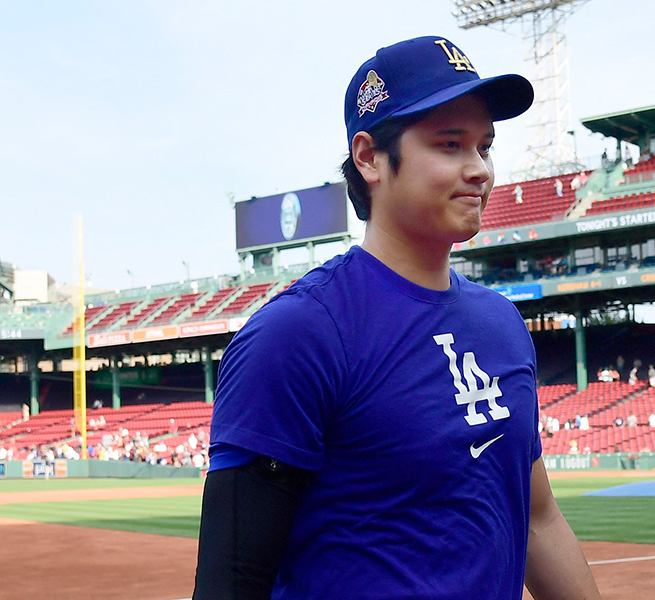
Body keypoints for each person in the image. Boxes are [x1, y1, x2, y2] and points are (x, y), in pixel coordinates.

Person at [192, 35, 600, 600]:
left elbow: (538, 519)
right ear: (369, 158)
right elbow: (232, 583)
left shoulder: (502, 324)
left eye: (485, 146)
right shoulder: (297, 333)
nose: (479, 168)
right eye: (450, 144)